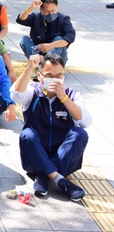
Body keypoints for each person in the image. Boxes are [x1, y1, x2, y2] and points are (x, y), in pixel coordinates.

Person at [12, 54, 91, 201]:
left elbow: (85, 121)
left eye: (59, 75)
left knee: (80, 133)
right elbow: (16, 95)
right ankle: (59, 179)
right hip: (34, 160)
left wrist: (64, 98)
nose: (55, 79)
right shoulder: (33, 91)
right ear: (40, 76)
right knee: (27, 134)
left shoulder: (72, 95)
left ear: (64, 75)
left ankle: (45, 176)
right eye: (49, 75)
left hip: (64, 161)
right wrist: (29, 67)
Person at [16, 0, 76, 65]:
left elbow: (70, 37)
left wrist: (50, 46)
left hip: (57, 58)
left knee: (58, 39)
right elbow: (21, 19)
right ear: (41, 10)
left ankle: (45, 66)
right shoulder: (36, 17)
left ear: (57, 7)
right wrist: (31, 8)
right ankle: (37, 64)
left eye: (53, 11)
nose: (50, 14)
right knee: (24, 40)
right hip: (39, 52)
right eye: (47, 12)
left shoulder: (63, 19)